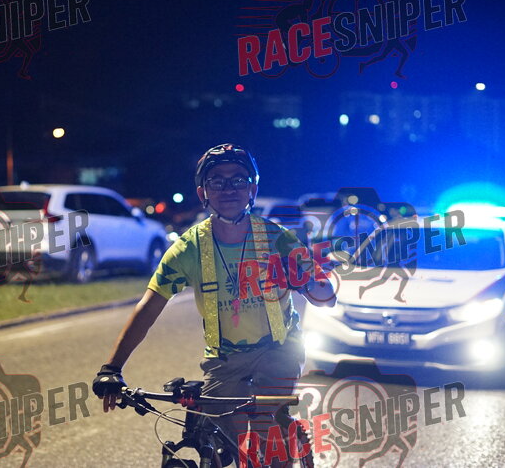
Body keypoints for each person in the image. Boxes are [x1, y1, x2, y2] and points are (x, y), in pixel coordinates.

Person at [92, 143, 336, 465]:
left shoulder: (278, 239)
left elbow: (326, 297)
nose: (228, 188)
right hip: (225, 359)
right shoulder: (189, 248)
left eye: (238, 180)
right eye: (217, 181)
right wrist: (112, 368)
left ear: (252, 189)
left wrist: (305, 280)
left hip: (279, 350)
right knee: (216, 432)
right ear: (203, 192)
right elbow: (149, 307)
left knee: (266, 433)